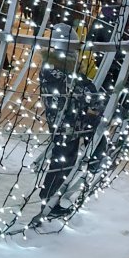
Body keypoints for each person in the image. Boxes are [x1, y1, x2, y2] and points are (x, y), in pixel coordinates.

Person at [35, 24, 107, 220]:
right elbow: (80, 90)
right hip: (64, 123)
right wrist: (93, 97)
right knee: (62, 162)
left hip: (75, 120)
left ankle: (95, 163)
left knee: (71, 157)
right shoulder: (54, 70)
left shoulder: (68, 68)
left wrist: (95, 97)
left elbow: (85, 87)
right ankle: (48, 200)